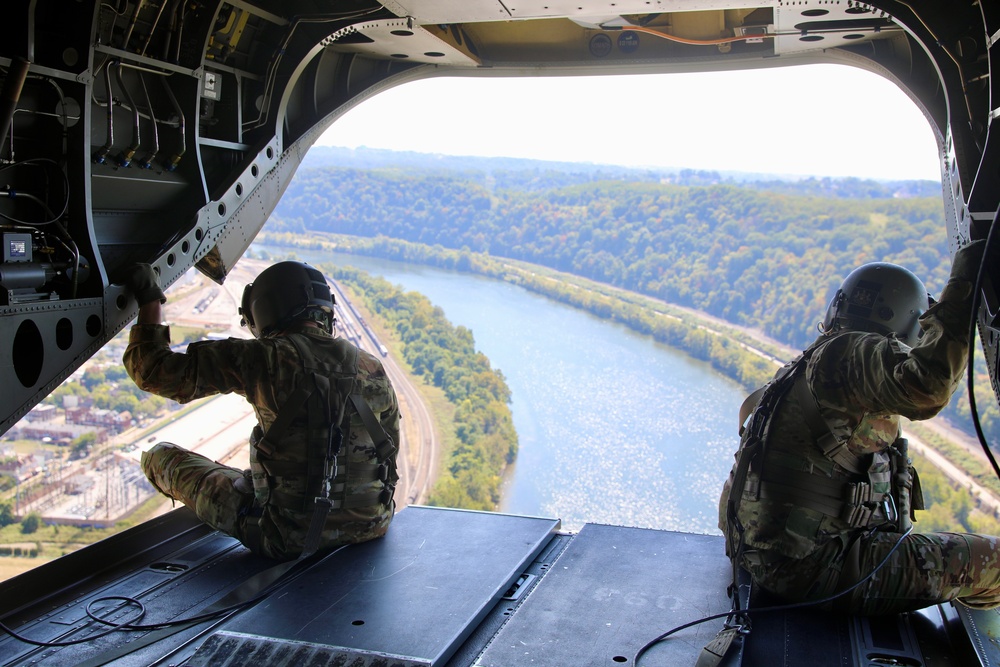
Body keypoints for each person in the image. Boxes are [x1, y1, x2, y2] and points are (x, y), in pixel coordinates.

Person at [718, 239, 999, 615]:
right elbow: (929, 386)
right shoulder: (847, 354)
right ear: (907, 321)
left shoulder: (811, 361)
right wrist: (965, 280)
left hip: (764, 555)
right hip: (812, 570)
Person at [123, 260, 400, 560]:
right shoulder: (373, 368)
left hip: (285, 536)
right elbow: (389, 452)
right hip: (371, 526)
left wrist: (149, 297)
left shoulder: (264, 357)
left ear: (263, 312)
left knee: (160, 457)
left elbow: (151, 371)